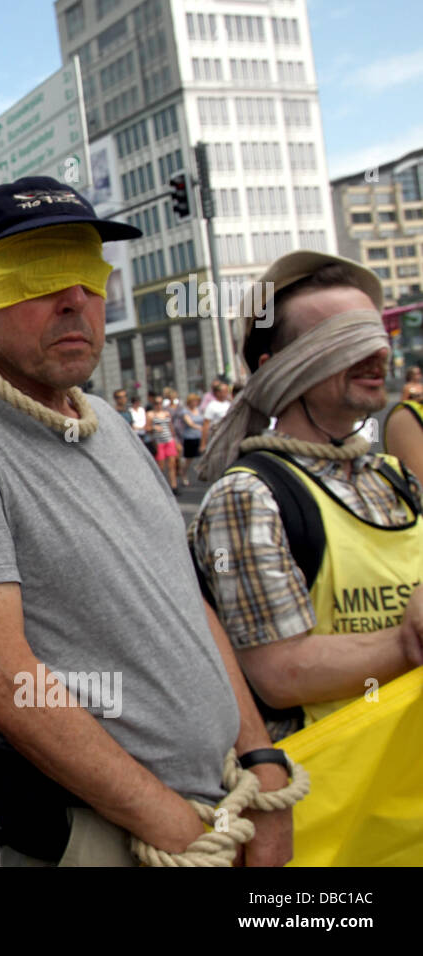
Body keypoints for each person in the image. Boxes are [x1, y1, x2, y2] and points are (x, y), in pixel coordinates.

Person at [0, 175, 292, 867]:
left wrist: (260, 760)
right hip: (120, 837)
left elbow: (187, 602)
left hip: (219, 805)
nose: (73, 300)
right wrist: (171, 825)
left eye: (86, 274)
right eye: (38, 276)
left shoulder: (107, 420)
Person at [192, 250, 423, 743]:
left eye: (376, 334)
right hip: (335, 797)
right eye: (345, 340)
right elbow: (280, 674)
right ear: (278, 369)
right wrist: (409, 640)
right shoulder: (249, 496)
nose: (378, 354)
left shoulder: (395, 479)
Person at [147, 394, 180, 492]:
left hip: (169, 440)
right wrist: (154, 428)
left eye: (160, 403)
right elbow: (146, 428)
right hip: (159, 442)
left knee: (172, 465)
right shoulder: (150, 414)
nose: (159, 405)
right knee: (160, 466)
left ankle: (174, 486)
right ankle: (160, 487)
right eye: (157, 403)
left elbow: (171, 427)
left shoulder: (166, 413)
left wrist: (175, 440)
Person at [178, 392, 206, 487]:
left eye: (196, 401)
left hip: (200, 436)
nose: (195, 403)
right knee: (189, 459)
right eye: (193, 401)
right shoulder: (185, 412)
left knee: (202, 455)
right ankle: (184, 473)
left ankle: (203, 473)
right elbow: (189, 423)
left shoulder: (199, 410)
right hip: (190, 437)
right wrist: (200, 428)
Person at [200, 379, 232, 447]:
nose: (226, 394)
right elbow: (206, 425)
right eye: (224, 392)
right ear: (217, 393)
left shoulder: (229, 404)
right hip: (217, 437)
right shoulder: (211, 406)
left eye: (227, 391)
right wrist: (203, 443)